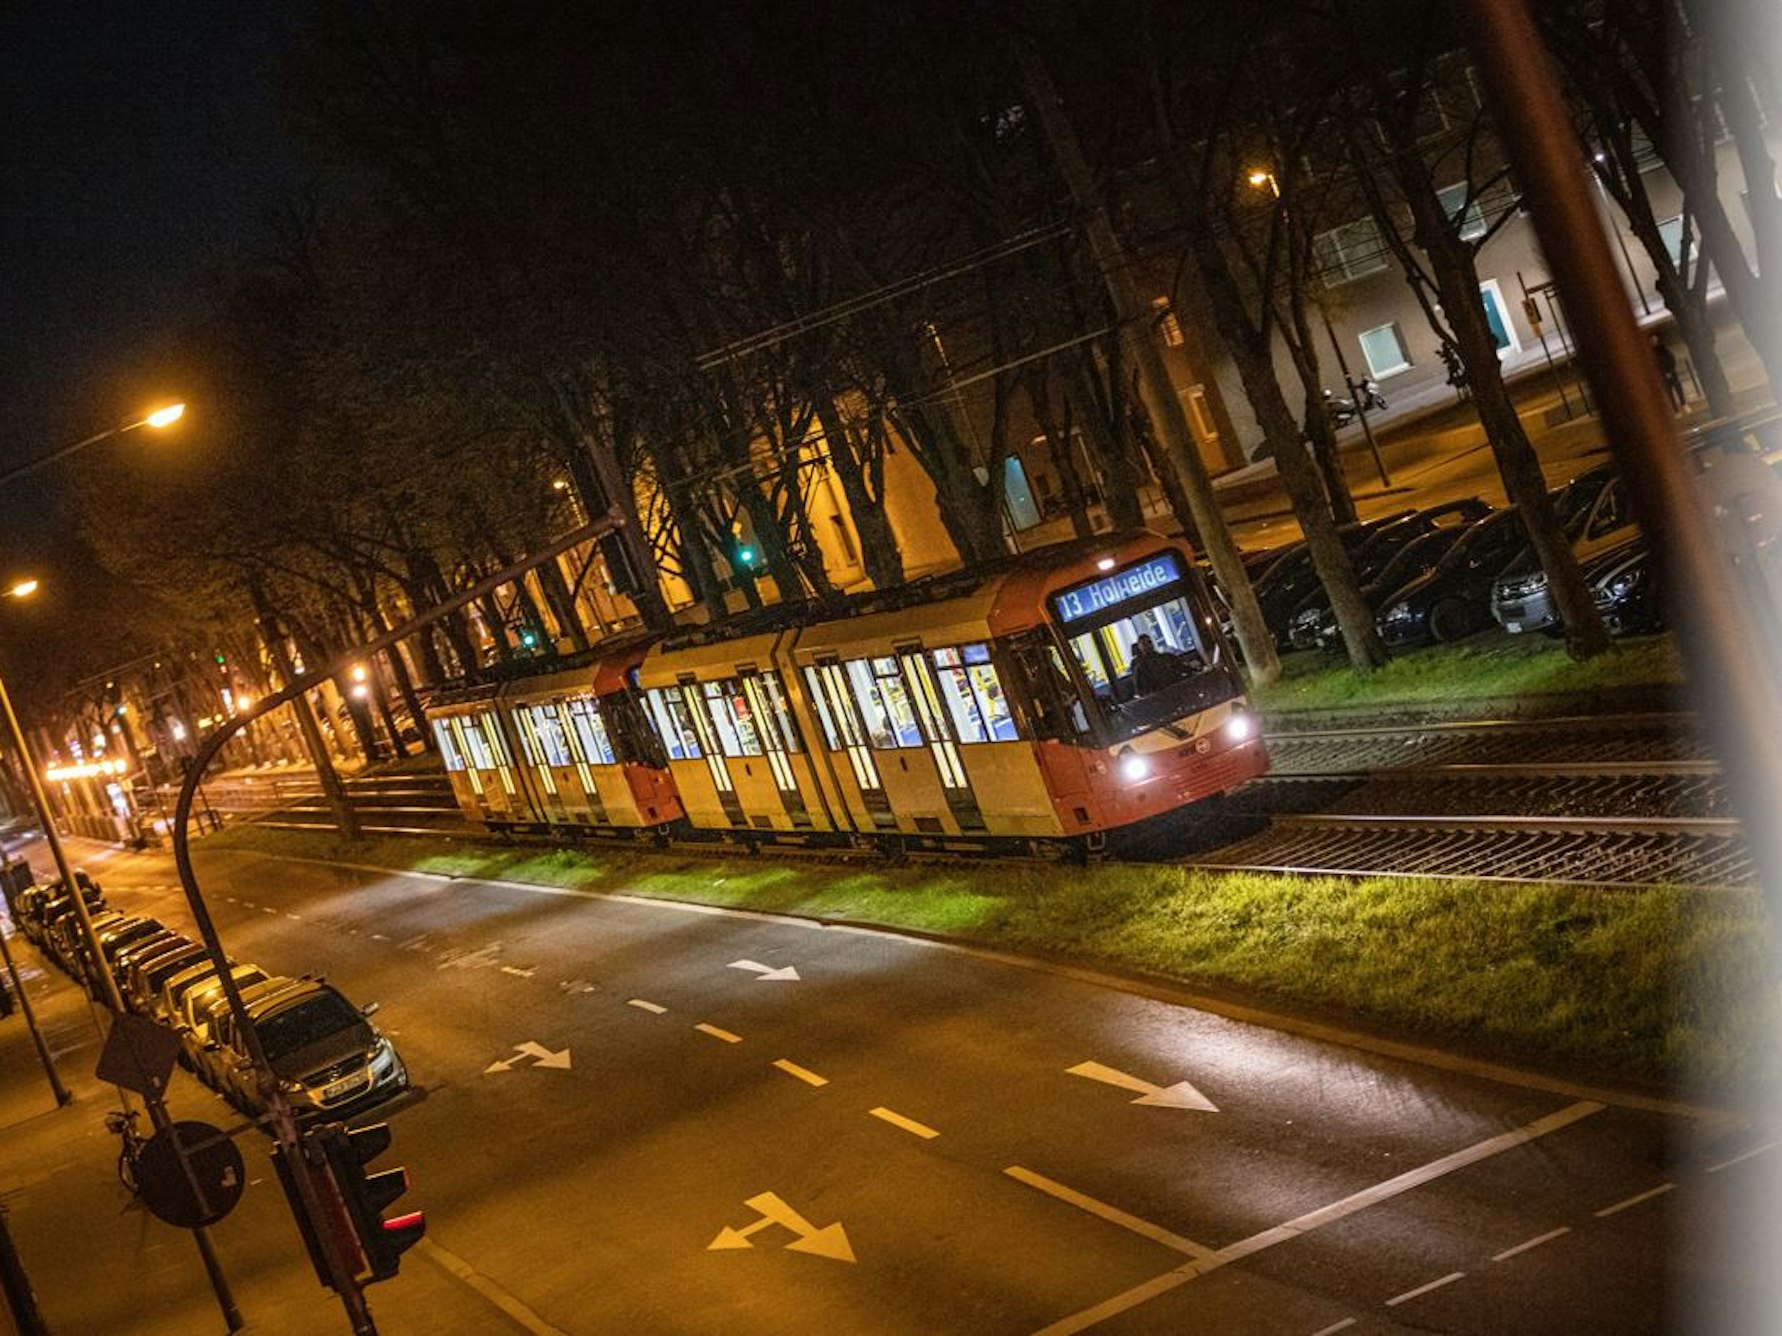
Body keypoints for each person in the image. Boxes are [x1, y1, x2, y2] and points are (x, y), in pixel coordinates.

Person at [1652, 335, 1686, 411]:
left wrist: (1669, 371)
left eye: (1654, 340)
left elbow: (1671, 359)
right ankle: (1675, 408)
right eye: (1652, 340)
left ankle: (1683, 404)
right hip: (1663, 374)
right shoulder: (1652, 351)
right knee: (1669, 392)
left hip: (1670, 372)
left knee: (1678, 388)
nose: (1653, 342)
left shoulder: (1664, 348)